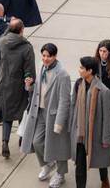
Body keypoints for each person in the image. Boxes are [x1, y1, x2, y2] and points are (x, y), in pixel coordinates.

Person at [21, 43, 72, 188]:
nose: (45, 59)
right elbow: (39, 88)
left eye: (48, 56)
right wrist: (29, 85)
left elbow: (65, 100)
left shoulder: (62, 75)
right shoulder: (42, 67)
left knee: (59, 147)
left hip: (55, 116)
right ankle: (48, 164)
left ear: (55, 56)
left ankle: (60, 175)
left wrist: (59, 122)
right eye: (43, 55)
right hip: (41, 112)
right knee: (36, 141)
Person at [0, 17, 35, 158]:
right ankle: (22, 140)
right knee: (22, 112)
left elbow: (5, 32)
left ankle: (5, 142)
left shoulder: (3, 42)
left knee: (7, 116)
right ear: (22, 30)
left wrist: (11, 24)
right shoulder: (27, 48)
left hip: (3, 82)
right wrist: (31, 82)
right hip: (19, 85)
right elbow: (29, 70)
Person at [68, 56, 110, 188]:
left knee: (100, 160)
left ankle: (104, 179)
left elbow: (107, 118)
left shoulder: (103, 91)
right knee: (80, 164)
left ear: (90, 71)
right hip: (80, 133)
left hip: (96, 133)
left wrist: (106, 139)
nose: (79, 69)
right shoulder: (78, 84)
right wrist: (72, 126)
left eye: (82, 67)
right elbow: (73, 105)